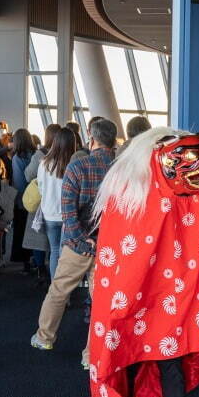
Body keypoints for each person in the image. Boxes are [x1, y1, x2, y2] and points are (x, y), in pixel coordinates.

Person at [85, 128, 199, 397]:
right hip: (131, 295)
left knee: (169, 364)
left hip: (166, 294)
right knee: (128, 361)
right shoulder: (128, 186)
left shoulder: (179, 186)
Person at [31, 119, 117, 359]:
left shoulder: (78, 167)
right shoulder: (122, 171)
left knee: (58, 291)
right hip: (109, 246)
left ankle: (44, 338)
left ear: (92, 139)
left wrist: (81, 240)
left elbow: (67, 212)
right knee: (101, 301)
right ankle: (91, 355)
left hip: (77, 245)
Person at [32, 127, 78, 288]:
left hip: (49, 213)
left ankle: (56, 291)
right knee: (66, 255)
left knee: (54, 252)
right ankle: (65, 292)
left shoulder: (44, 163)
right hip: (68, 215)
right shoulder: (74, 164)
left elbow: (41, 187)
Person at [22, 124, 63, 283]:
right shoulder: (66, 156)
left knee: (41, 241)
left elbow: (29, 176)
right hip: (61, 208)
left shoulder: (41, 156)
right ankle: (58, 282)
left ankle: (41, 268)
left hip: (42, 204)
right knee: (58, 250)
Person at [9, 128, 38, 271]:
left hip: (23, 201)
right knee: (34, 232)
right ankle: (36, 260)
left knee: (21, 231)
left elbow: (19, 183)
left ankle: (25, 262)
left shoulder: (17, 158)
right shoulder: (35, 155)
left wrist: (19, 201)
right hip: (37, 199)